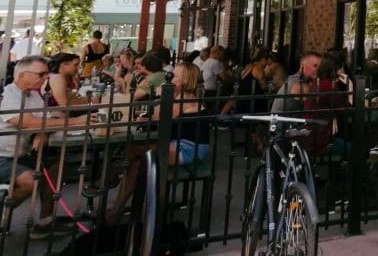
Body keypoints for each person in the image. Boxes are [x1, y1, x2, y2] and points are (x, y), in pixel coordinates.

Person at [0, 56, 95, 239]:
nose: (46, 78)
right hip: (3, 156)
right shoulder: (9, 96)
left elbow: (45, 119)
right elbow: (27, 122)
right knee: (30, 181)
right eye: (41, 74)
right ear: (22, 75)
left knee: (54, 168)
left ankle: (45, 223)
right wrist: (75, 121)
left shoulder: (33, 95)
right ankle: (6, 212)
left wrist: (42, 134)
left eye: (46, 73)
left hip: (22, 153)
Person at [107, 62, 210, 222]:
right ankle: (117, 207)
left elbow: (158, 119)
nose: (169, 78)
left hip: (189, 148)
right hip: (175, 144)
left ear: (185, 80)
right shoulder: (178, 97)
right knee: (135, 163)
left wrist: (161, 96)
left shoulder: (183, 99)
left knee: (134, 150)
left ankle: (110, 178)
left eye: (174, 76)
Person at [220, 49, 270, 116]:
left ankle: (220, 119)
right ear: (262, 59)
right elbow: (264, 86)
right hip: (251, 99)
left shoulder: (250, 66)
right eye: (267, 60)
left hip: (240, 95)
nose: (267, 63)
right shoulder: (258, 69)